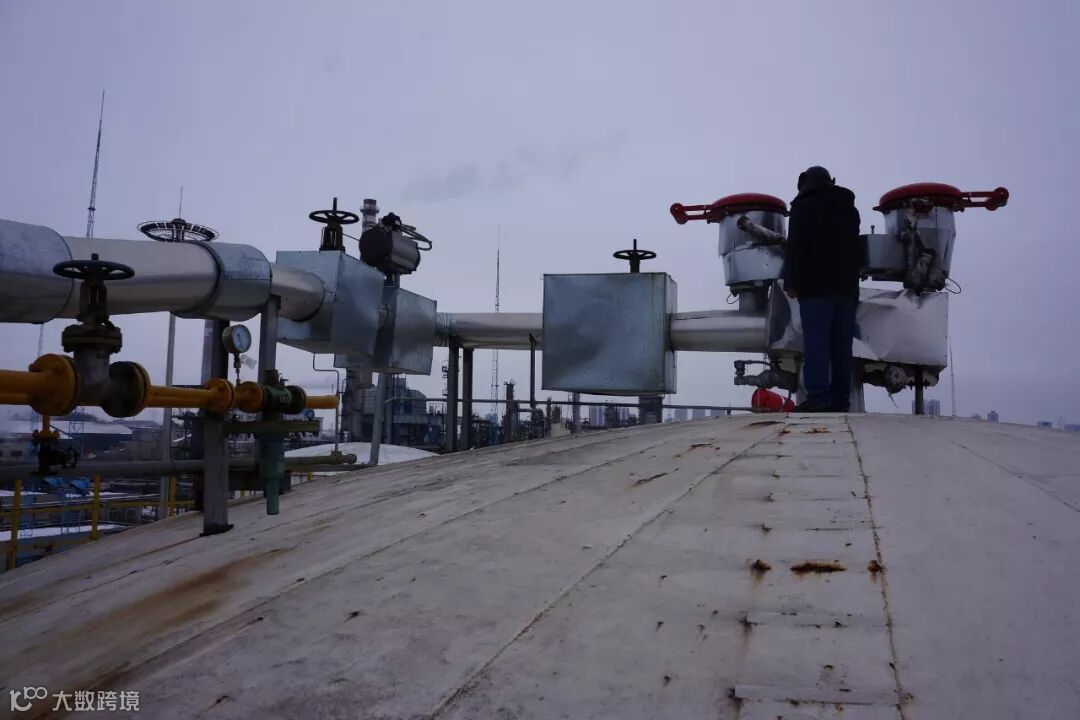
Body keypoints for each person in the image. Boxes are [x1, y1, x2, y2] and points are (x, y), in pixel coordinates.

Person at [781, 166, 862, 412]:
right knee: (842, 348)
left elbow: (796, 246)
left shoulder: (803, 206)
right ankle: (841, 401)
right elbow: (855, 249)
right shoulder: (849, 209)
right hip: (847, 290)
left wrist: (790, 282)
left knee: (817, 345)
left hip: (815, 289)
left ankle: (818, 398)